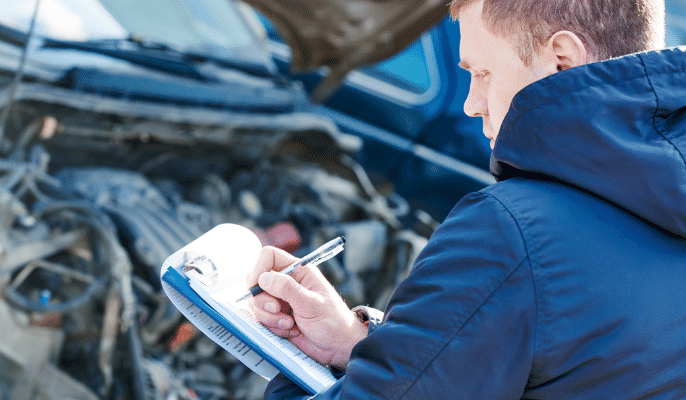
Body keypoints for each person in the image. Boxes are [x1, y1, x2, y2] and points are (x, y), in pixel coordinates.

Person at [247, 0, 686, 398]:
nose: (472, 104)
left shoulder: (509, 233)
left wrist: (293, 369)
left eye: (482, 73)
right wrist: (354, 345)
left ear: (561, 60)